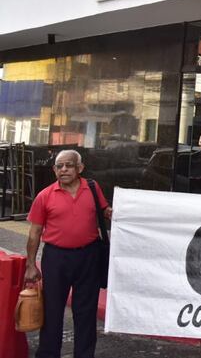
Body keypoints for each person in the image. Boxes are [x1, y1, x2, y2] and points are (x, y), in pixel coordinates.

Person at [24, 150, 112, 358]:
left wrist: (121, 210)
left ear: (80, 168)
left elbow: (105, 210)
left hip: (88, 257)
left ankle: (84, 355)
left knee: (86, 312)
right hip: (56, 259)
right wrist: (30, 265)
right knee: (52, 311)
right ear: (54, 170)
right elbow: (34, 232)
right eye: (59, 166)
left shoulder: (92, 188)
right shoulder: (44, 195)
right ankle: (48, 354)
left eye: (69, 165)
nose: (64, 170)